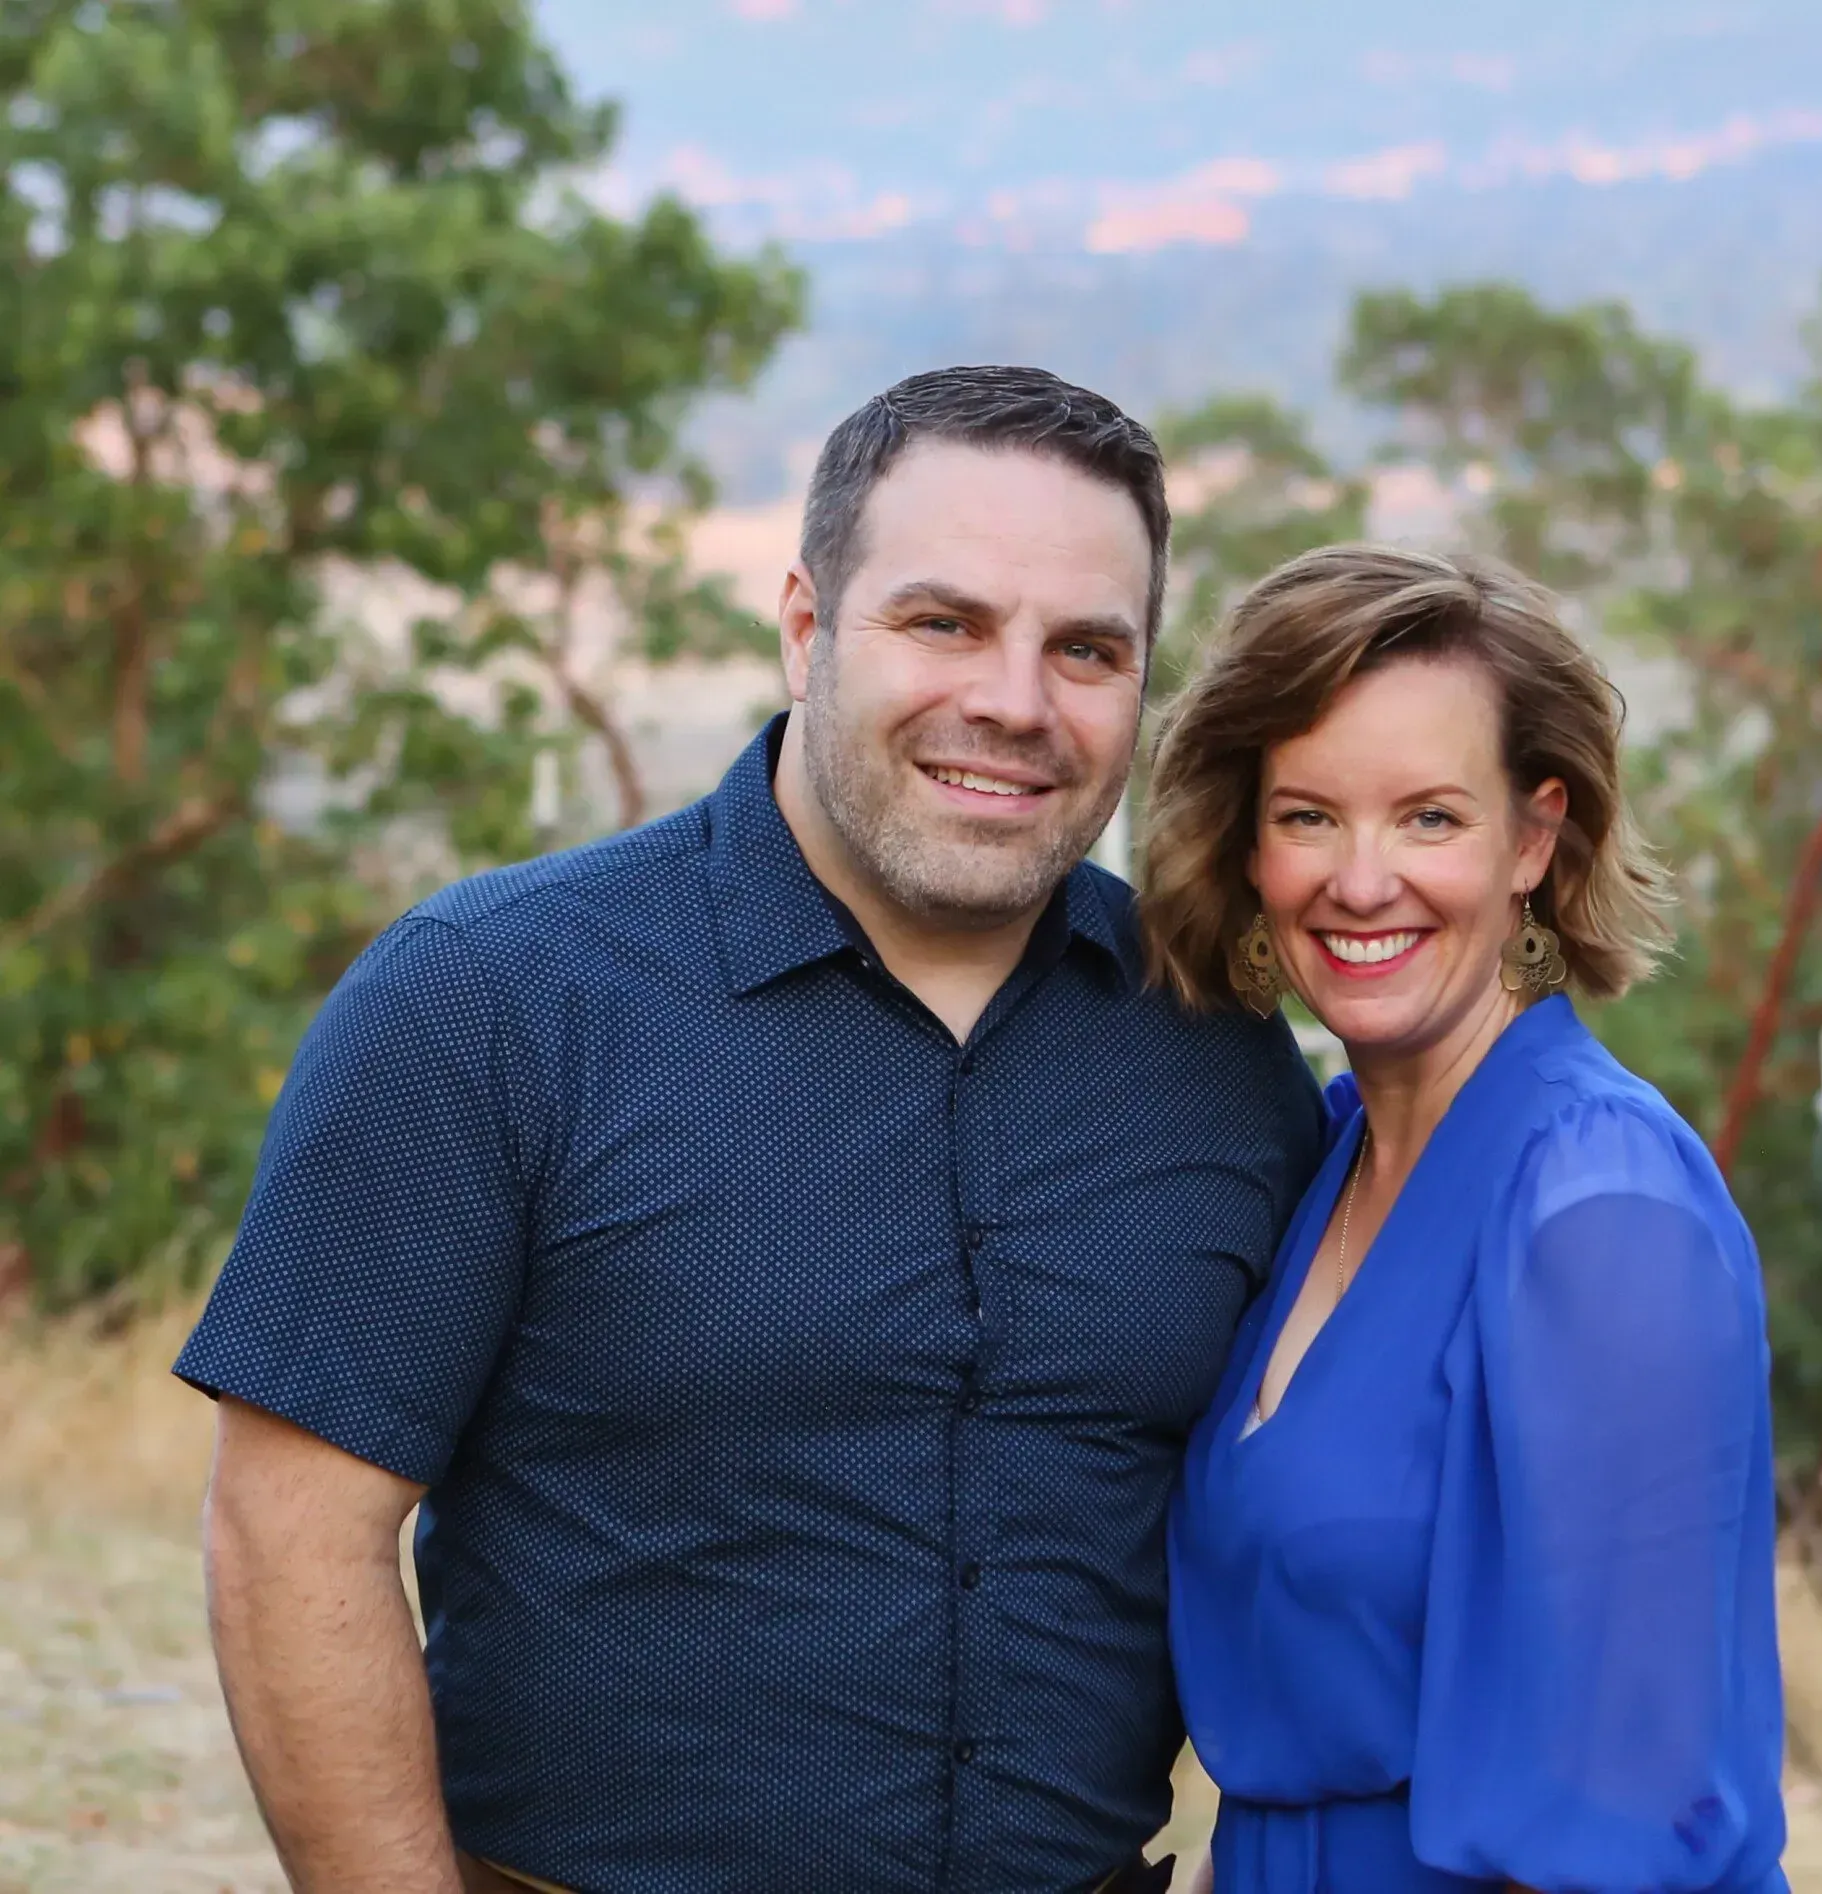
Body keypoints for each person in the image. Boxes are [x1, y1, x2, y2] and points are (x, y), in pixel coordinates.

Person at [175, 366, 1324, 1894]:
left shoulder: (1222, 1047)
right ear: (804, 627)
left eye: (1088, 649)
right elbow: (290, 1534)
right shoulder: (491, 1000)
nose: (1014, 700)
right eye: (944, 621)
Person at [1139, 545, 1788, 1894]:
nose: (1360, 880)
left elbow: (1625, 1826)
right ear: (1249, 845)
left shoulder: (1598, 1202)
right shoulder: (1322, 1153)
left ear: (1534, 840)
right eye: (1308, 814)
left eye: (1430, 817)